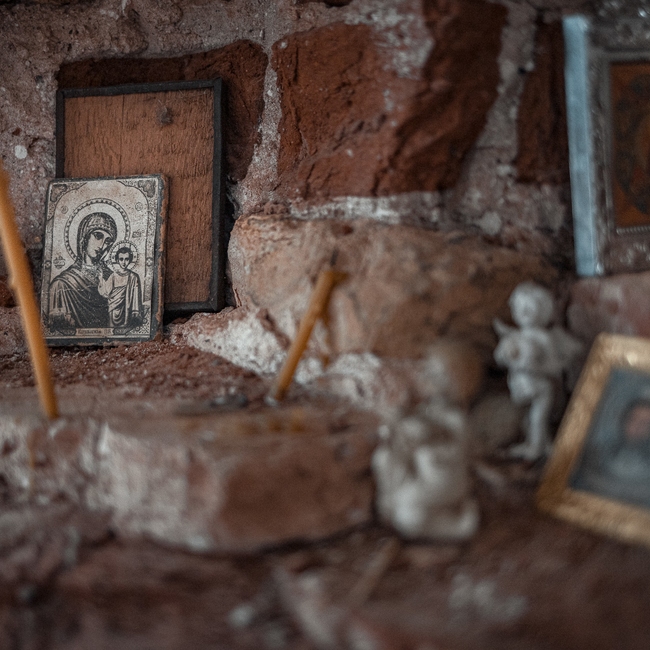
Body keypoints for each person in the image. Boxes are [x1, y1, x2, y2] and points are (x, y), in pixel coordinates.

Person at [48, 212, 117, 329]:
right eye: (98, 236)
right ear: (84, 237)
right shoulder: (61, 284)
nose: (102, 246)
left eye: (108, 241)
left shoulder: (112, 278)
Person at [98, 246, 143, 330]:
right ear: (117, 260)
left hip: (126, 310)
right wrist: (101, 279)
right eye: (121, 259)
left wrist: (135, 312)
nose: (124, 262)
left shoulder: (133, 277)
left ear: (130, 260)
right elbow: (106, 292)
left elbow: (136, 297)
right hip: (113, 309)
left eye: (126, 259)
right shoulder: (113, 276)